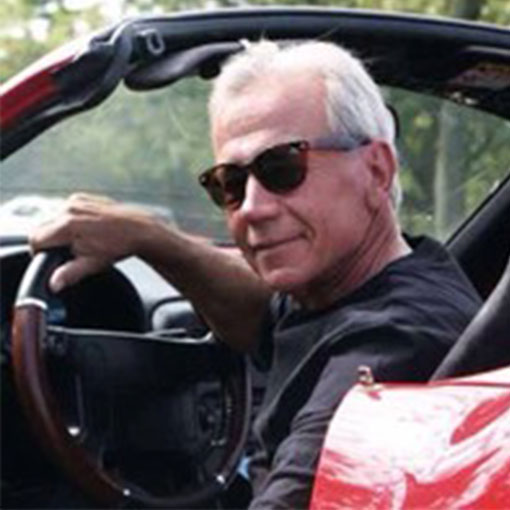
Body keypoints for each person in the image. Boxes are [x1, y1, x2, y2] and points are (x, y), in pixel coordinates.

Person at [30, 40, 481, 509]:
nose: (251, 208)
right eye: (230, 183)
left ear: (376, 171)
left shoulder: (394, 344)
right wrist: (150, 239)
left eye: (282, 167)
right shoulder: (352, 288)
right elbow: (263, 318)